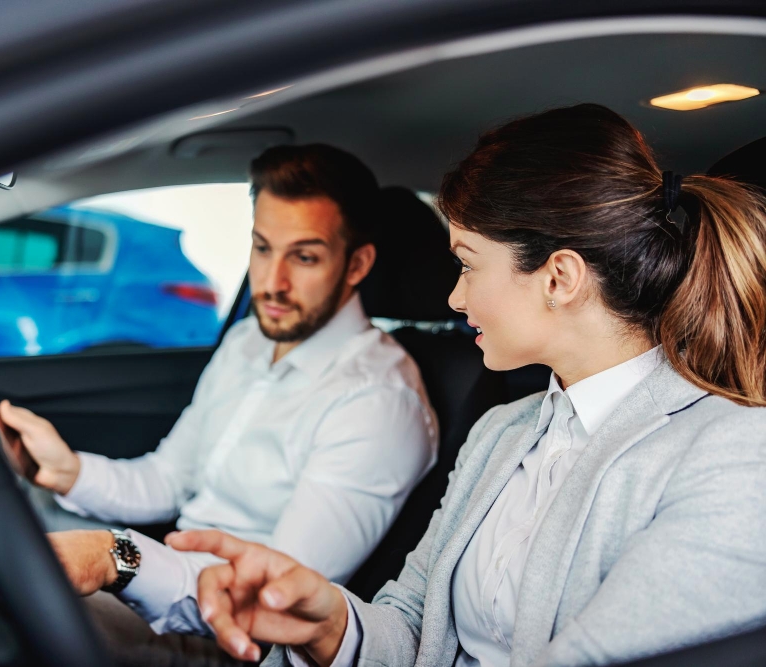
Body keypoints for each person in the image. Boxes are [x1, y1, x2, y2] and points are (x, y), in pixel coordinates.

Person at [168, 104, 766, 666]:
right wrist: (331, 624)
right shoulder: (500, 434)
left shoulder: (732, 454)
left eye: (468, 264)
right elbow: (415, 624)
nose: (454, 297)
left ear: (559, 277)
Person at [0, 144, 438, 641]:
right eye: (262, 248)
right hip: (169, 567)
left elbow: (274, 595)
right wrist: (67, 472)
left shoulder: (378, 403)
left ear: (357, 264)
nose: (272, 282)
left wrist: (117, 557)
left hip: (224, 631)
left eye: (304, 257)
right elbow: (169, 479)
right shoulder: (249, 341)